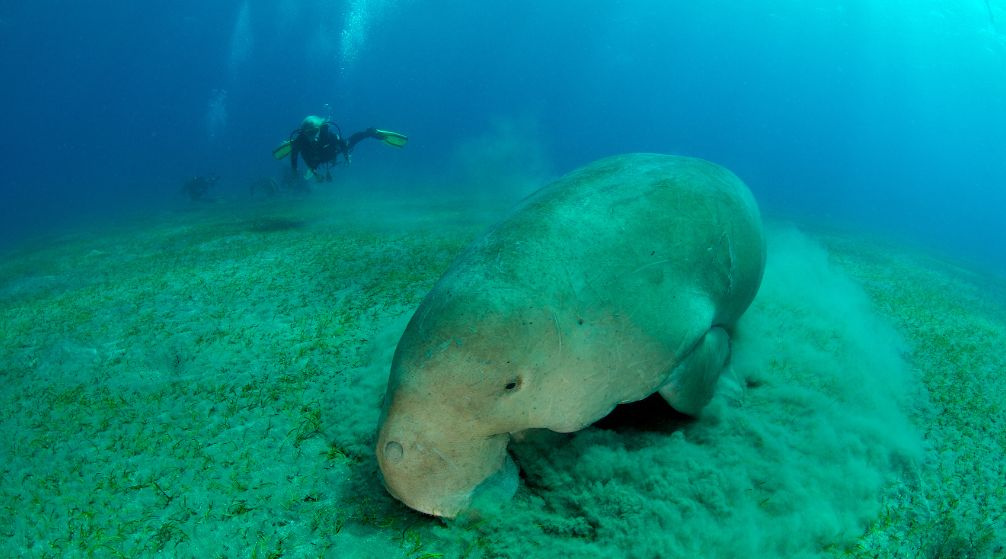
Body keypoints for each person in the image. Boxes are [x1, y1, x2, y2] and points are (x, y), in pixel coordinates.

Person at [273, 115, 408, 182]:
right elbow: (295, 155)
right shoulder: (300, 141)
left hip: (332, 151)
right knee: (309, 159)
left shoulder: (329, 135)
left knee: (350, 142)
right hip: (316, 158)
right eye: (307, 133)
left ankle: (372, 132)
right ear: (303, 132)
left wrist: (346, 156)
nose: (311, 135)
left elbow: (343, 144)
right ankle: (310, 167)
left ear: (319, 128)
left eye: (314, 131)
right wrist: (299, 170)